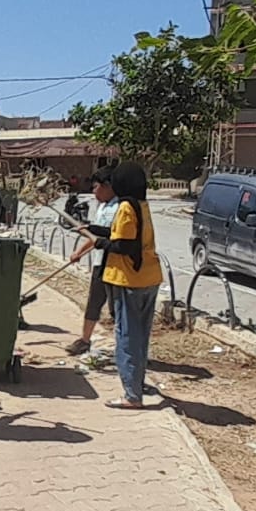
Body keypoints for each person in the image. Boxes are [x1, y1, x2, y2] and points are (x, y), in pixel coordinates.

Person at [101, 163, 163, 410]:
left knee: (127, 336)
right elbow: (126, 236)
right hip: (150, 277)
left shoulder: (126, 207)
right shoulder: (142, 205)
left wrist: (102, 244)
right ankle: (138, 383)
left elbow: (124, 246)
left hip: (130, 280)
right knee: (141, 336)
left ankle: (131, 395)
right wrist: (95, 231)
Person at [63, 165, 119, 356]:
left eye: (96, 187)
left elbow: (108, 235)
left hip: (115, 265)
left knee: (116, 308)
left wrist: (92, 233)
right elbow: (94, 238)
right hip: (99, 262)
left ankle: (124, 346)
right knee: (94, 302)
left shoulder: (121, 207)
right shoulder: (102, 207)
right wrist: (78, 252)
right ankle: (84, 340)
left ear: (108, 186)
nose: (93, 191)